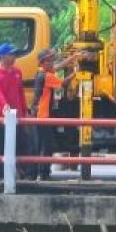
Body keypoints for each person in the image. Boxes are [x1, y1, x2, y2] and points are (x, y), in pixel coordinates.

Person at [28, 48, 78, 181]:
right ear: (43, 62)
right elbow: (63, 83)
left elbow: (58, 66)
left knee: (40, 145)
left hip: (39, 115)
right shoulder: (47, 76)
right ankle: (43, 174)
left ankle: (39, 173)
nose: (52, 63)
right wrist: (75, 73)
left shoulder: (41, 73)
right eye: (49, 61)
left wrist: (73, 58)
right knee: (46, 146)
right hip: (43, 116)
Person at [0, 42, 31, 174]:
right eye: (11, 54)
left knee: (23, 145)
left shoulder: (17, 71)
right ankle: (0, 175)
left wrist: (25, 111)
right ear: (2, 57)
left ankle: (24, 173)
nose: (14, 57)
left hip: (18, 116)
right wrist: (5, 105)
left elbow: (20, 92)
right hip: (1, 116)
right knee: (0, 146)